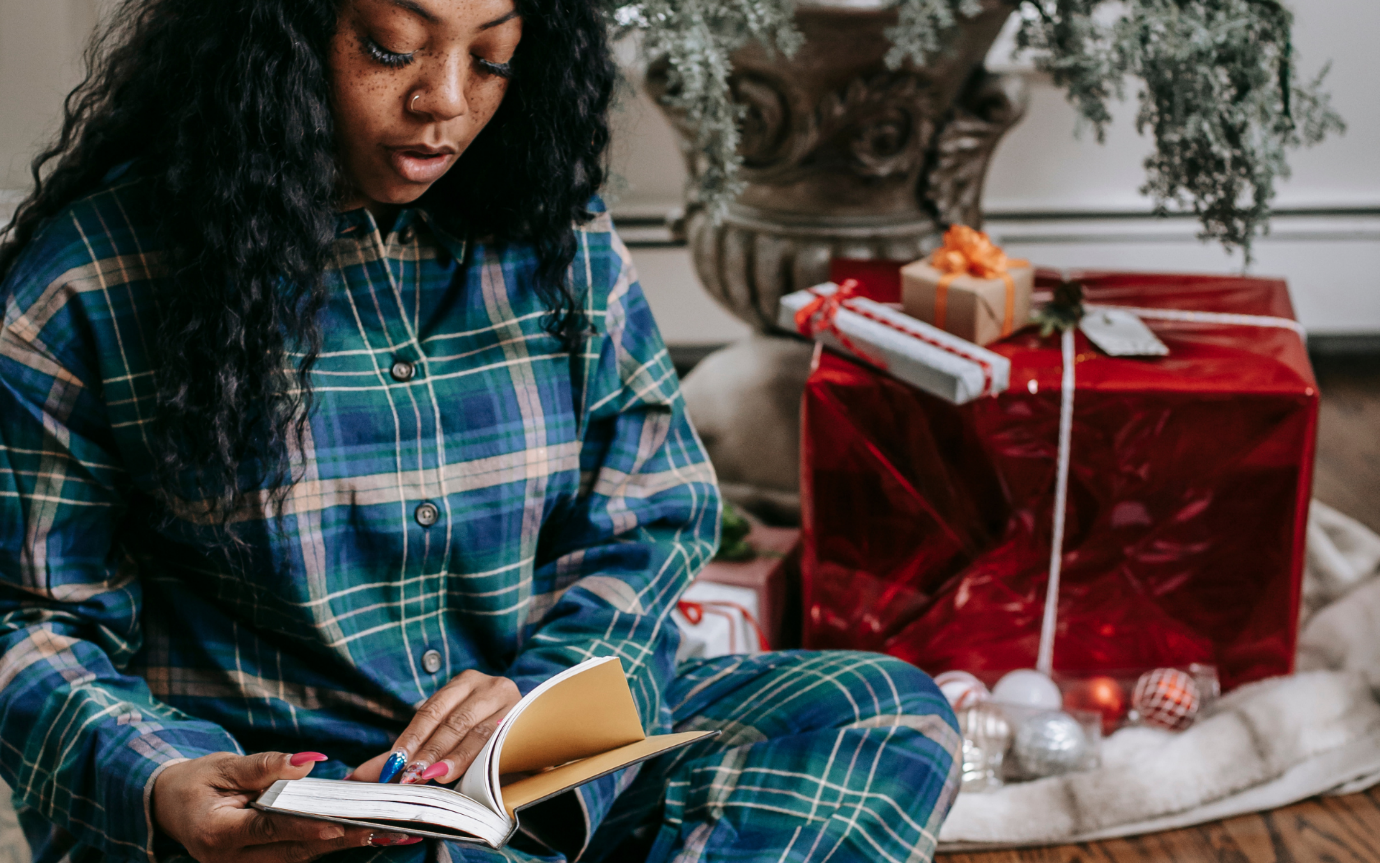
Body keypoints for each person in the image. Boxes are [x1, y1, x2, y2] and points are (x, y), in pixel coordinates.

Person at [0, 0, 961, 860]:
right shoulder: (87, 283)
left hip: (532, 777)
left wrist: (542, 705)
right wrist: (162, 777)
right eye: (392, 48)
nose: (446, 101)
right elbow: (31, 617)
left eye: (492, 56)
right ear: (277, 37)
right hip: (286, 815)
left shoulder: (561, 236)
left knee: (875, 713)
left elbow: (648, 516)